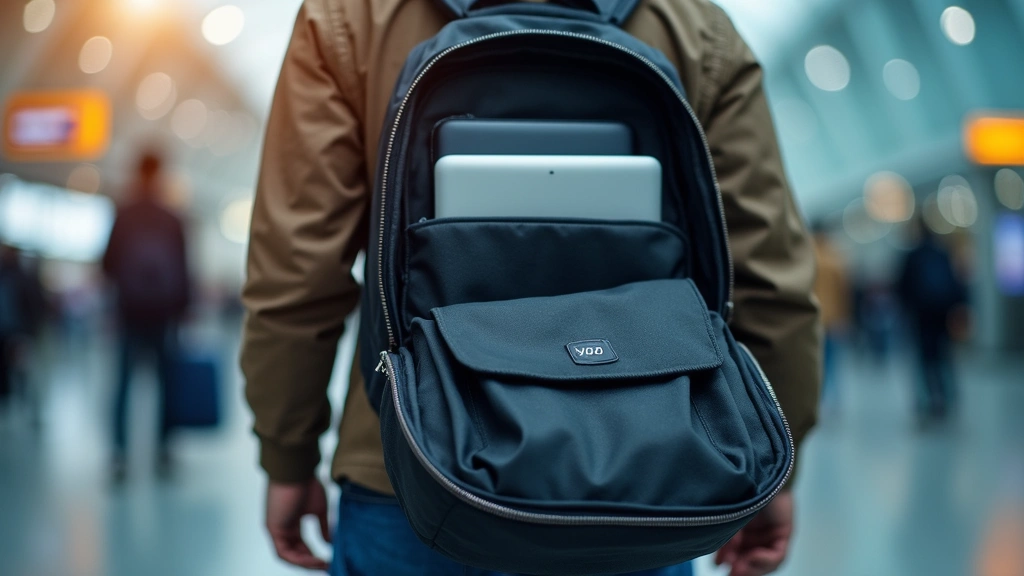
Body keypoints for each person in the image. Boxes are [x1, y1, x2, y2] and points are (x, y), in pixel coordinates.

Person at [241, 0, 821, 575]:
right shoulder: (696, 26)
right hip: (650, 472)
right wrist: (778, 464)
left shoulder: (348, 16)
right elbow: (769, 272)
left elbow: (297, 267)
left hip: (416, 469)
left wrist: (287, 455)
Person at [102, 151, 190, 481]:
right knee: (167, 383)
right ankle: (164, 452)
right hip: (164, 314)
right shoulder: (173, 216)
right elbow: (184, 267)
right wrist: (183, 309)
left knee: (123, 384)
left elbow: (108, 263)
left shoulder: (123, 213)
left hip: (129, 312)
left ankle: (119, 455)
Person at [896, 218, 967, 423]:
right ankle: (948, 399)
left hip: (920, 317)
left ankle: (926, 402)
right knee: (944, 357)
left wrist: (907, 308)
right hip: (942, 316)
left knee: (922, 360)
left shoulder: (913, 256)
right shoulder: (943, 253)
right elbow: (956, 284)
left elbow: (902, 287)